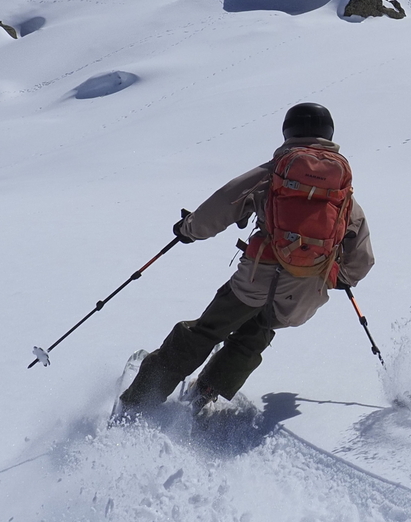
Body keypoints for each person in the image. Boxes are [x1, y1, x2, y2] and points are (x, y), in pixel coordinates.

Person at [119, 102, 374, 410]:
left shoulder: (275, 173)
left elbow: (224, 203)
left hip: (257, 278)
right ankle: (206, 391)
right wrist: (337, 277)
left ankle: (141, 398)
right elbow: (361, 257)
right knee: (257, 331)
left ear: (288, 132)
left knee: (206, 331)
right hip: (307, 292)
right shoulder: (342, 192)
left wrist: (189, 229)